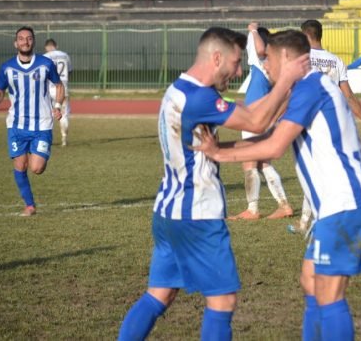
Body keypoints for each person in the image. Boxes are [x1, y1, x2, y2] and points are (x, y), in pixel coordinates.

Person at [117, 27, 309, 341]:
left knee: (159, 295)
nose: (238, 71)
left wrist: (284, 96)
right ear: (217, 58)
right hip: (197, 215)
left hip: (168, 212)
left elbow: (248, 114)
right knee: (222, 301)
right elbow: (256, 122)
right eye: (235, 63)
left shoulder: (180, 89)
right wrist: (286, 79)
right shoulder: (199, 97)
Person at [193, 29, 361, 341]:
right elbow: (265, 129)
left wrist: (218, 154)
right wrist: (219, 147)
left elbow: (275, 146)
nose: (264, 65)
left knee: (329, 292)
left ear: (284, 57)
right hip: (336, 204)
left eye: (267, 58)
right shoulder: (303, 89)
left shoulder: (311, 88)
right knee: (311, 281)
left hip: (348, 201)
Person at [297, 19, 361, 234]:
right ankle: (305, 221)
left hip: (311, 120)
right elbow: (348, 94)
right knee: (325, 168)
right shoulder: (336, 60)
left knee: (315, 170)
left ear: (305, 36)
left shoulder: (302, 58)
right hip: (335, 120)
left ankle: (320, 219)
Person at [0, 26, 64, 217]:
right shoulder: (7, 68)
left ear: (33, 41)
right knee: (20, 166)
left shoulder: (45, 64)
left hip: (42, 124)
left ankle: (36, 158)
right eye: (21, 38)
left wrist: (58, 106)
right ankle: (29, 205)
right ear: (15, 43)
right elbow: (0, 90)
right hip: (16, 125)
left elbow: (59, 85)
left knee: (37, 168)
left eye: (29, 38)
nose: (25, 42)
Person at [231, 22, 293, 221]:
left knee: (249, 162)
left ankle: (252, 209)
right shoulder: (276, 64)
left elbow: (258, 49)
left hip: (255, 116)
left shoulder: (261, 59)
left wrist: (253, 30)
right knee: (264, 163)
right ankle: (283, 205)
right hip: (267, 116)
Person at [43, 38, 73, 146]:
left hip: (48, 89)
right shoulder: (65, 55)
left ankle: (46, 139)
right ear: (56, 46)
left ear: (46, 47)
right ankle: (64, 139)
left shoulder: (45, 57)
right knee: (64, 115)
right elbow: (70, 71)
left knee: (47, 114)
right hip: (62, 88)